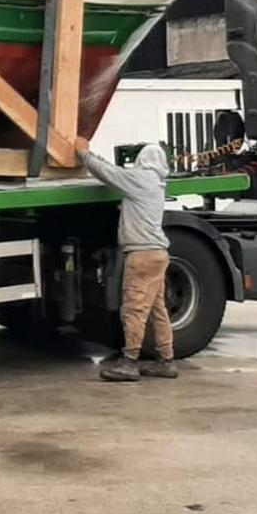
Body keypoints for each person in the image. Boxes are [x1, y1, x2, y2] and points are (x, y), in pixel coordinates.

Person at [76, 141, 177, 382]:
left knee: (134, 309)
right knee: (157, 309)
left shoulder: (140, 180)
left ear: (143, 160)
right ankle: (166, 360)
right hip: (157, 254)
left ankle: (129, 362)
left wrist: (84, 154)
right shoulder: (156, 182)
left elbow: (109, 173)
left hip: (141, 256)